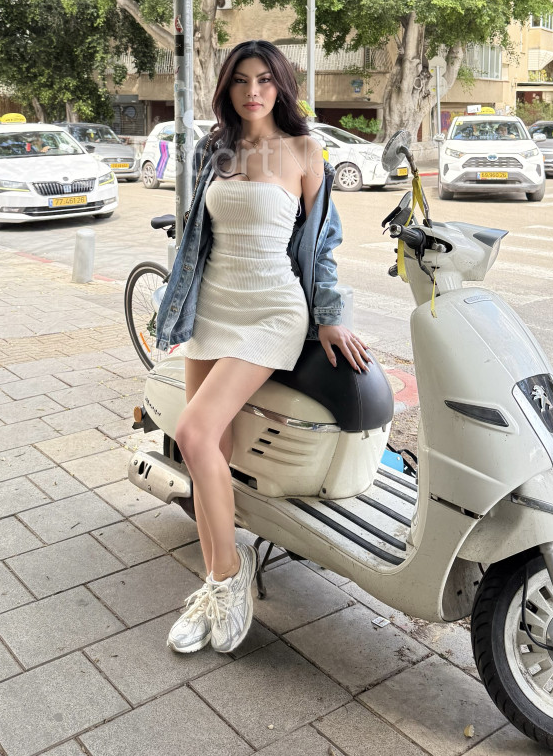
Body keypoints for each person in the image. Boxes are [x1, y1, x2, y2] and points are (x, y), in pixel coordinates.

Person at [153, 39, 369, 656]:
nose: (253, 92)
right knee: (211, 450)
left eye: (265, 80)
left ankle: (229, 577)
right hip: (211, 308)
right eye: (242, 80)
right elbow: (197, 234)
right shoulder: (214, 150)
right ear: (227, 87)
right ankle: (214, 581)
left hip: (271, 311)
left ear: (282, 86)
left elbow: (323, 245)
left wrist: (330, 317)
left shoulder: (305, 150)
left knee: (192, 433)